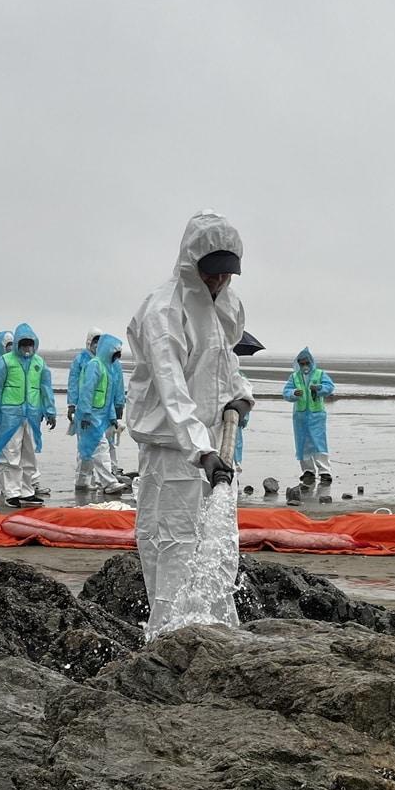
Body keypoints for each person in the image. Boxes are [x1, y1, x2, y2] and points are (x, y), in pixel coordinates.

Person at [127, 210, 254, 639]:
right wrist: (200, 450)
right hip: (172, 449)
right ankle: (169, 635)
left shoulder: (227, 306)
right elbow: (172, 387)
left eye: (226, 275)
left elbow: (225, 360)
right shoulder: (164, 311)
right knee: (171, 543)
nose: (218, 282)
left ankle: (216, 628)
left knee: (218, 547)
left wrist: (241, 393)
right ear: (191, 262)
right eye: (211, 273)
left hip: (216, 444)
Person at [0, 322, 55, 507]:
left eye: (30, 344)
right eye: (24, 343)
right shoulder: (6, 362)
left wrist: (50, 411)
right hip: (9, 415)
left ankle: (27, 491)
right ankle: (11, 492)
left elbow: (46, 389)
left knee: (29, 454)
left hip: (32, 416)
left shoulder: (40, 363)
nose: (27, 347)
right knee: (10, 454)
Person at [75, 334, 131, 495]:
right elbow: (87, 390)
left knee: (87, 451)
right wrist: (85, 414)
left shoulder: (107, 369)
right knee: (101, 447)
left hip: (100, 417)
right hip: (90, 416)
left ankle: (81, 483)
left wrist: (112, 417)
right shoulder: (95, 366)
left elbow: (108, 397)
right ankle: (109, 483)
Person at [283, 348, 336, 483]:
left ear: (311, 362)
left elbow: (329, 387)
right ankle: (308, 471)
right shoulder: (294, 377)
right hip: (300, 416)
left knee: (319, 443)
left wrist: (319, 388)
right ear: (298, 364)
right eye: (302, 363)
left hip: (316, 415)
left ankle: (324, 471)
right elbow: (286, 392)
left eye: (307, 363)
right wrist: (294, 393)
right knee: (303, 444)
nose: (304, 366)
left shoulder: (319, 374)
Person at [68, 327, 102, 486]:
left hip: (101, 410)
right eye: (95, 341)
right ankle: (82, 482)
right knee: (86, 447)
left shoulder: (105, 360)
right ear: (89, 342)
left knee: (100, 447)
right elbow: (73, 383)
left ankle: (95, 480)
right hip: (84, 410)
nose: (97, 345)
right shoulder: (81, 360)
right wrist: (72, 405)